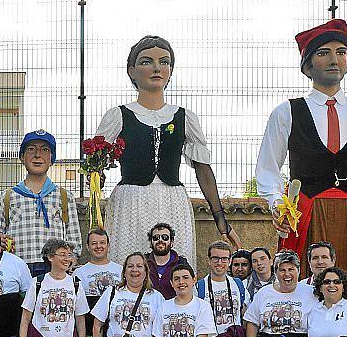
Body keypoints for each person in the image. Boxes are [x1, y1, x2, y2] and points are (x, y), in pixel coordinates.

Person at [256, 19, 347, 289]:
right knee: (304, 289)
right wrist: (277, 204)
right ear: (307, 66)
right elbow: (268, 167)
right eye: (324, 53)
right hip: (305, 211)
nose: (334, 59)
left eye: (341, 53)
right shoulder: (287, 111)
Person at [94, 36, 239, 267]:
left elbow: (202, 168)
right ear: (131, 71)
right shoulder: (118, 115)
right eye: (146, 62)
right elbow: (95, 165)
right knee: (131, 268)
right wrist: (96, 179)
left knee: (174, 269)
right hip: (131, 202)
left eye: (164, 62)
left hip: (173, 202)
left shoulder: (184, 117)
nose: (156, 68)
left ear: (171, 70)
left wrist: (221, 220)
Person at [0, 130, 82, 277]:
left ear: (52, 159)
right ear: (22, 157)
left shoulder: (64, 197)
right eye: (31, 149)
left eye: (45, 150)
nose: (38, 155)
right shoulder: (8, 197)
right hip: (17, 270)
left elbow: (74, 240)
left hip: (54, 272)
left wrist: (69, 261)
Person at [16, 238, 88, 337]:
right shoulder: (38, 283)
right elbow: (25, 319)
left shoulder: (76, 284)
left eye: (69, 255)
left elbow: (80, 318)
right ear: (50, 257)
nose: (67, 259)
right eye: (62, 254)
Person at [91, 252, 162, 337]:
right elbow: (97, 325)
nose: (134, 270)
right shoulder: (112, 292)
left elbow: (159, 333)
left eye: (139, 266)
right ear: (124, 272)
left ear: (146, 272)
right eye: (130, 266)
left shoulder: (156, 297)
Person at [151, 263, 216, 337]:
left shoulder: (203, 306)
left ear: (194, 280)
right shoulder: (164, 306)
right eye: (176, 279)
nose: (181, 282)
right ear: (171, 283)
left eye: (185, 278)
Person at [196, 241, 249, 337]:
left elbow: (246, 315)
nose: (220, 263)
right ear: (208, 260)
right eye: (215, 258)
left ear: (230, 261)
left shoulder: (238, 285)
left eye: (224, 258)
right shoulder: (199, 287)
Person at [74, 229, 123, 337]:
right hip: (89, 332)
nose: (98, 246)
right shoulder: (79, 273)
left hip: (115, 332)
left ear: (108, 245)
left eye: (102, 242)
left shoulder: (121, 271)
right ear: (87, 246)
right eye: (94, 243)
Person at [145, 223, 189, 300]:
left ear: (171, 242)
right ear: (150, 242)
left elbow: (189, 290)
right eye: (156, 238)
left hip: (173, 309)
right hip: (147, 309)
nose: (160, 240)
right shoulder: (142, 263)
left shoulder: (181, 263)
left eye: (165, 237)